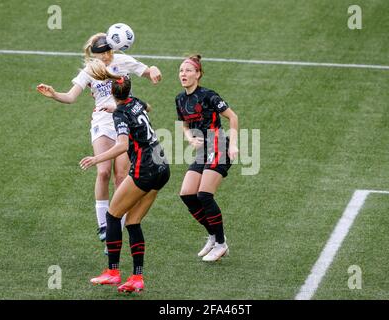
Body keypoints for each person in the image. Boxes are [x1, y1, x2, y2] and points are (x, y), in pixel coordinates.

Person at [36, 33, 162, 252]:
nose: (104, 57)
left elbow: (146, 71)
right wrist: (54, 94)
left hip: (124, 121)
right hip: (102, 124)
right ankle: (104, 225)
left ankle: (116, 228)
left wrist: (154, 70)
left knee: (121, 176)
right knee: (103, 172)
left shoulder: (122, 61)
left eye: (106, 52)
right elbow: (70, 97)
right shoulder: (90, 71)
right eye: (100, 54)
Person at [80, 63, 170, 293]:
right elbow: (146, 108)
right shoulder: (137, 102)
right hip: (162, 166)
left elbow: (122, 145)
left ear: (112, 93)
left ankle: (112, 272)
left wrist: (96, 158)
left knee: (112, 216)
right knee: (132, 222)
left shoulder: (120, 113)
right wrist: (121, 108)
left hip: (145, 169)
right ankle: (137, 278)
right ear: (128, 91)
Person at [175, 55, 239, 262]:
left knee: (204, 195)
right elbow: (184, 124)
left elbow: (233, 116)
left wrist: (235, 144)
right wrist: (190, 139)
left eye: (188, 70)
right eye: (181, 71)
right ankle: (213, 236)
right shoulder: (180, 99)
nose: (183, 74)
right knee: (186, 194)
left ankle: (221, 244)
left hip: (219, 145)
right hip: (203, 150)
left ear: (198, 74)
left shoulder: (209, 95)